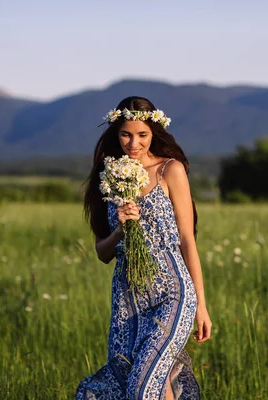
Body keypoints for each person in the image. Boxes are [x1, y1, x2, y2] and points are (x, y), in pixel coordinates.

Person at [76, 96, 212, 399]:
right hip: (127, 297)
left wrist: (201, 305)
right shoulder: (108, 178)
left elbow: (187, 240)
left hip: (172, 291)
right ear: (116, 133)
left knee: (144, 382)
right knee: (134, 379)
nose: (133, 142)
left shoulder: (170, 170)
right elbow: (102, 252)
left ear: (154, 133)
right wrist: (120, 231)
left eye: (142, 135)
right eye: (126, 134)